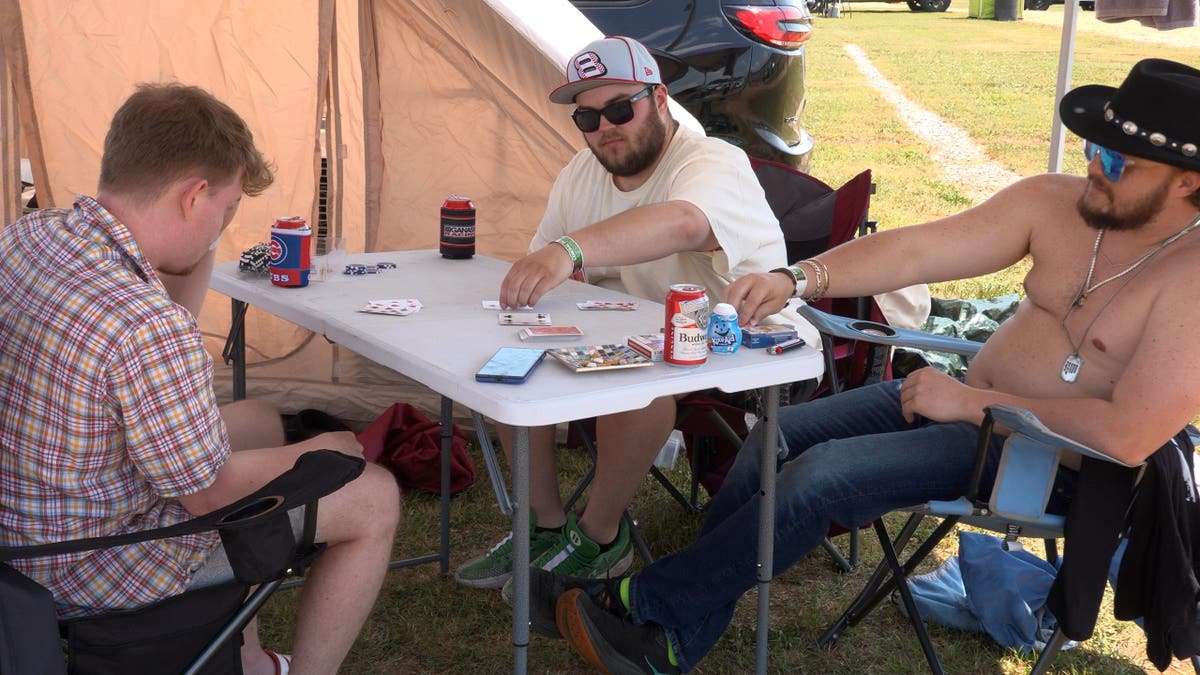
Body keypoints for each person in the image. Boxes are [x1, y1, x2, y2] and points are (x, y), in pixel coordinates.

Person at [535, 57, 1200, 673]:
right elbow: (918, 251)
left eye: (1118, 161)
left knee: (818, 479)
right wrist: (800, 276)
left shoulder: (1191, 279)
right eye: (1093, 148)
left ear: (1188, 182)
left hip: (1044, 456)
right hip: (961, 403)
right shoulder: (1058, 204)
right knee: (773, 437)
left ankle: (648, 605)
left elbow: (1126, 434)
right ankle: (676, 626)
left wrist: (972, 405)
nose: (1093, 167)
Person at [0, 83, 402, 675]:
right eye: (228, 207)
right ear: (193, 196)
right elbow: (209, 493)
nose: (227, 223)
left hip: (26, 516)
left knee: (260, 421)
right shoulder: (143, 323)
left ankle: (247, 658)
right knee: (371, 494)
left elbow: (168, 329)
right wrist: (329, 450)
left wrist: (206, 237)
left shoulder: (32, 235)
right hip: (84, 564)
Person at [453, 35, 788, 591]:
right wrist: (555, 270)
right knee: (507, 361)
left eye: (619, 108)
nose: (604, 126)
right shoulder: (579, 175)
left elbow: (683, 222)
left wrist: (572, 251)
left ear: (658, 100)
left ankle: (602, 537)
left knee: (638, 380)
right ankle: (541, 524)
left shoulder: (712, 160)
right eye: (587, 117)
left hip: (733, 341)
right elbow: (547, 265)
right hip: (626, 330)